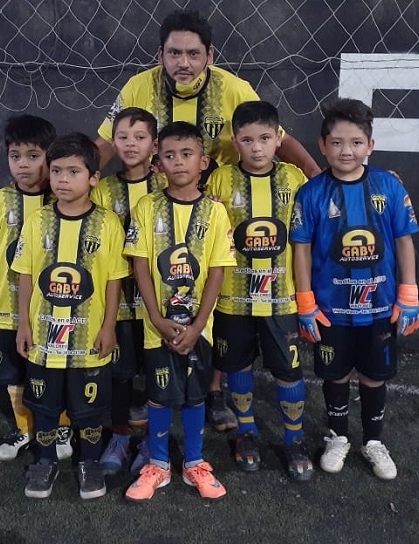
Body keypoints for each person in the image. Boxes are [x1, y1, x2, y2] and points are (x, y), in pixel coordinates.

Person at [95, 9, 322, 431]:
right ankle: (153, 385)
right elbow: (108, 140)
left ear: (209, 56)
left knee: (207, 291)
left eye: (193, 54)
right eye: (174, 53)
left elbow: (279, 137)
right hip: (159, 203)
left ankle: (213, 390)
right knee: (162, 285)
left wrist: (317, 175)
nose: (183, 62)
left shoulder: (233, 88)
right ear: (160, 55)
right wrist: (83, 174)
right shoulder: (137, 87)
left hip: (216, 206)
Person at [289, 98, 419, 480]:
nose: (346, 151)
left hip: (380, 307)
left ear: (370, 145)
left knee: (374, 375)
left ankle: (374, 441)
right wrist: (305, 302)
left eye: (356, 142)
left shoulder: (389, 186)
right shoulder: (311, 193)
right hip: (330, 309)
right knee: (334, 375)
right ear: (322, 145)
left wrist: (409, 294)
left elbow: (403, 241)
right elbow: (301, 249)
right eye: (336, 143)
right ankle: (338, 437)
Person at [122, 121, 236, 502]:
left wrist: (199, 324)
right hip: (157, 327)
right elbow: (140, 264)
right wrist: (156, 318)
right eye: (170, 155)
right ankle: (158, 464)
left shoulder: (215, 212)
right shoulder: (146, 207)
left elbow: (217, 270)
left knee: (195, 395)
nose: (179, 162)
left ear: (203, 162)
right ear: (158, 162)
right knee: (158, 395)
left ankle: (195, 463)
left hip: (199, 329)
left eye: (187, 154)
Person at [12, 133, 129, 499]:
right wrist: (23, 323)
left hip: (89, 339)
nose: (62, 179)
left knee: (89, 410)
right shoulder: (38, 222)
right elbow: (26, 275)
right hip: (44, 338)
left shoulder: (108, 224)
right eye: (57, 171)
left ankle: (89, 463)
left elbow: (113, 282)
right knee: (45, 406)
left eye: (73, 172)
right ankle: (45, 461)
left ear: (93, 178)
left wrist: (109, 327)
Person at [205, 100, 313, 481]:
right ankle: (246, 432)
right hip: (233, 300)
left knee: (288, 370)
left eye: (265, 138)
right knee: (237, 366)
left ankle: (294, 438)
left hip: (281, 300)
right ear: (235, 142)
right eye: (247, 140)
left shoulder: (294, 179)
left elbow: (306, 235)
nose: (256, 147)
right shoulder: (220, 180)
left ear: (279, 138)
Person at [0, 114, 74, 462]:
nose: (23, 164)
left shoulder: (61, 201)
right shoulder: (0, 200)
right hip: (6, 307)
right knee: (12, 372)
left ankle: (61, 427)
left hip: (50, 308)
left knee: (52, 369)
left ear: (50, 156)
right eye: (15, 156)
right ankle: (24, 429)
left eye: (33, 156)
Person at [91, 107, 166, 476]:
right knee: (120, 374)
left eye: (140, 137)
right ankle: (119, 437)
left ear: (154, 144)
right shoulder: (103, 190)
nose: (131, 144)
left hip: (160, 303)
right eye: (122, 137)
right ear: (113, 142)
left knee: (157, 373)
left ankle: (153, 441)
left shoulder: (167, 185)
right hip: (118, 302)